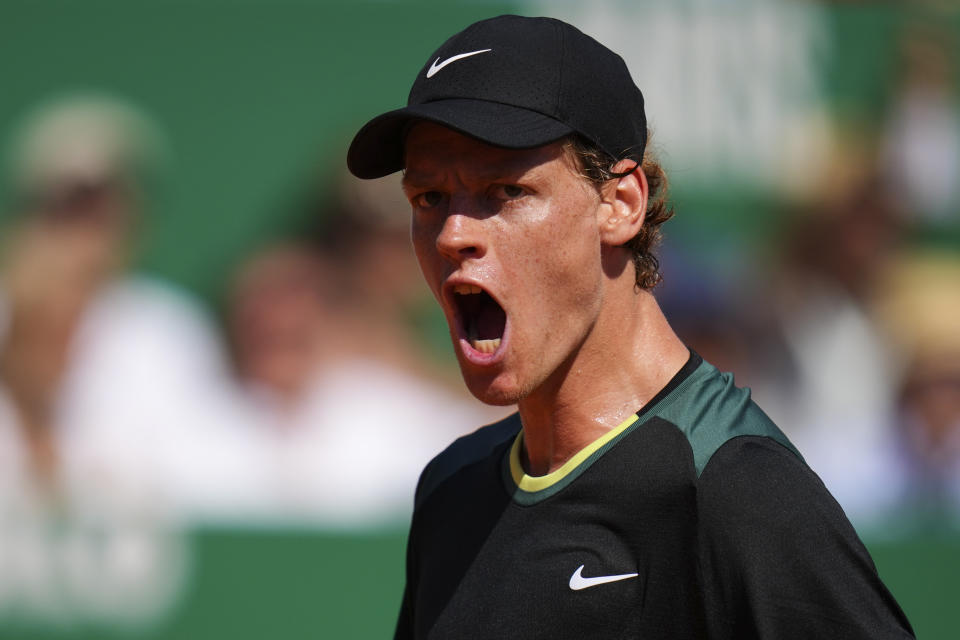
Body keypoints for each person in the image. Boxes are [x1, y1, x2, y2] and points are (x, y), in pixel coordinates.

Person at [346, 15, 914, 639]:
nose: (455, 233)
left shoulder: (736, 491)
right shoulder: (450, 492)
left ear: (620, 205)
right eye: (428, 198)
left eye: (505, 191)